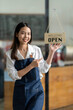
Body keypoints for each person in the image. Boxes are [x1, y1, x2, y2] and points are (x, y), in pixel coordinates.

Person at [6, 22, 61, 110]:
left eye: (28, 33)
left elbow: (44, 69)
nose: (26, 36)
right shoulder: (10, 54)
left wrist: (52, 52)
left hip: (36, 91)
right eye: (23, 33)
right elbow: (13, 75)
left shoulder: (36, 50)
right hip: (20, 93)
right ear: (16, 34)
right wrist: (31, 66)